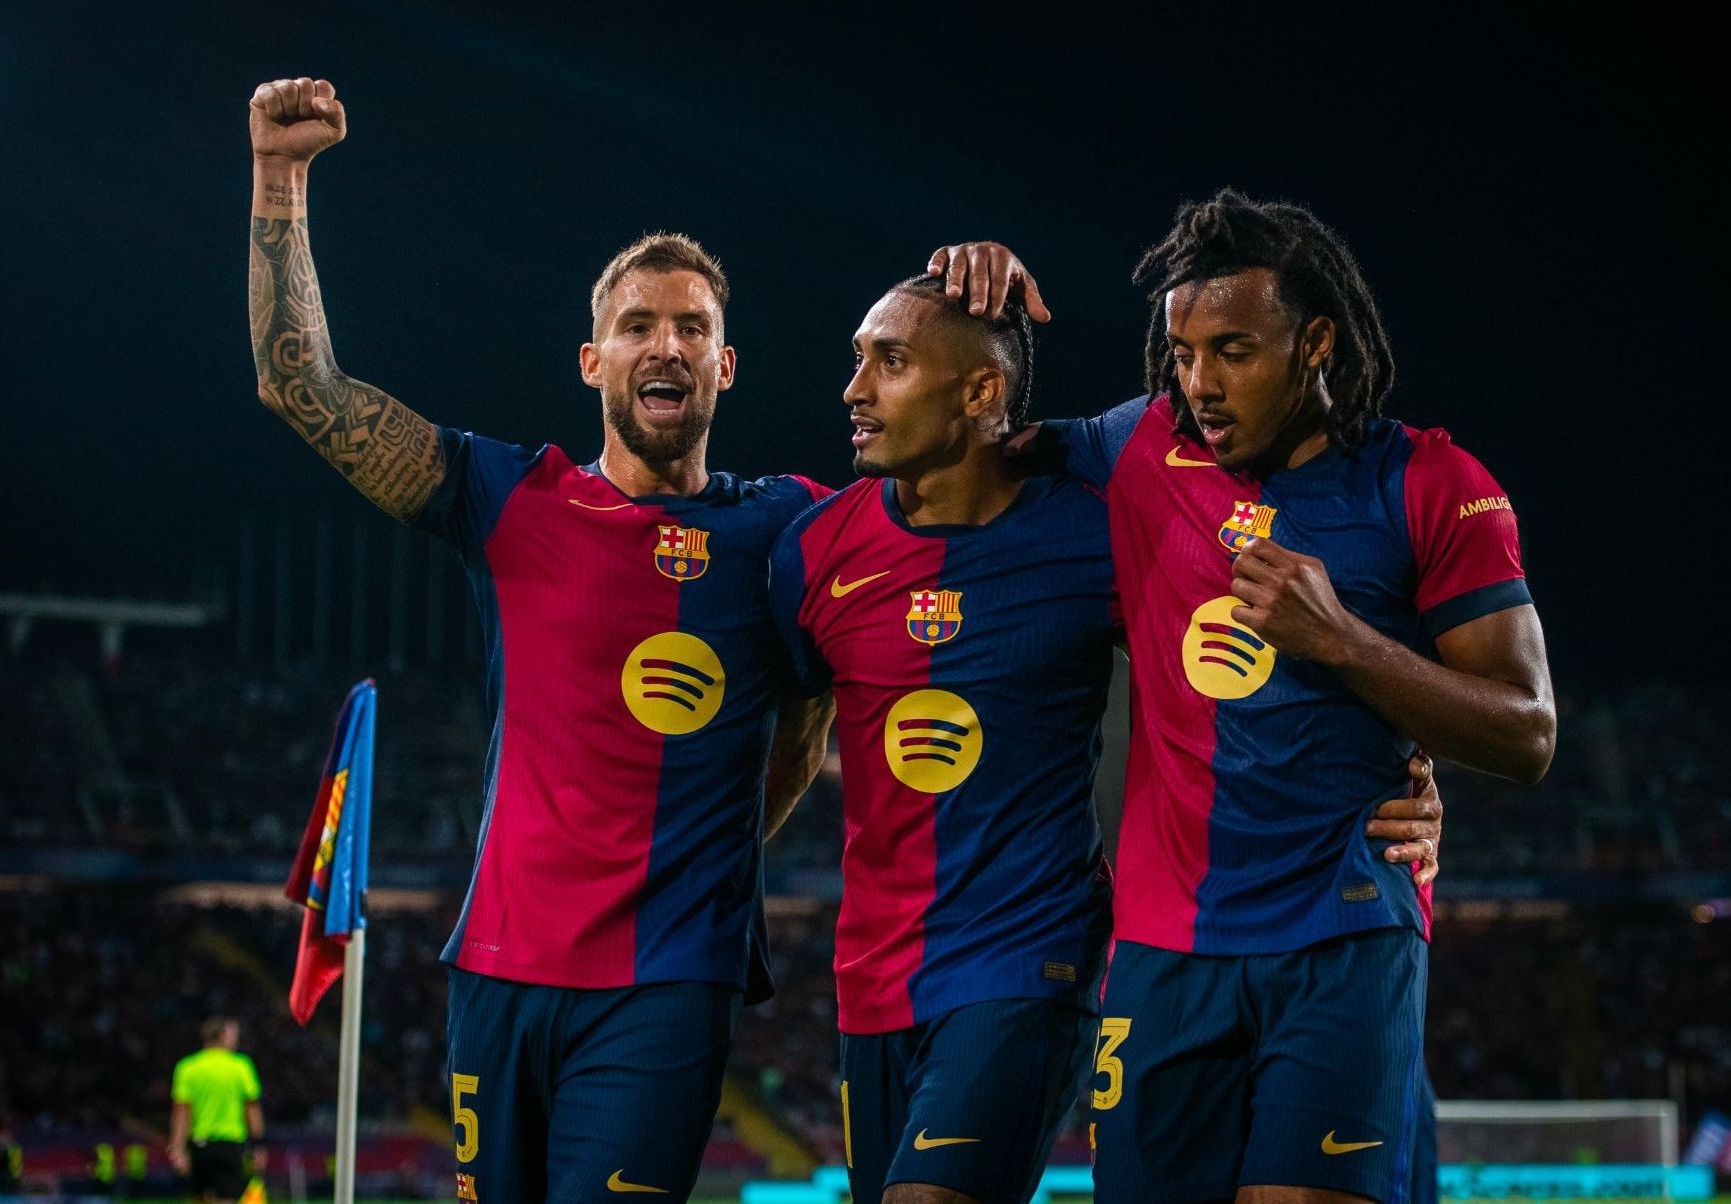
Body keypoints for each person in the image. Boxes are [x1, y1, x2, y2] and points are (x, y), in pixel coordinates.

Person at [246, 77, 833, 1202]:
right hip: (497, 970)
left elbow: (810, 719)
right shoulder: (512, 496)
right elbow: (298, 384)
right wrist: (281, 176)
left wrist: (704, 854)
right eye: (637, 326)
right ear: (592, 361)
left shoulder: (789, 527)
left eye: (693, 328)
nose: (666, 345)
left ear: (725, 366)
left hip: (666, 982)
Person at [768, 273, 1445, 1204]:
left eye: (889, 362)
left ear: (980, 391)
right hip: (871, 974)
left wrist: (1401, 769)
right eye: (860, 360)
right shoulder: (811, 550)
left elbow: (1252, 670)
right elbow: (792, 724)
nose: (854, 389)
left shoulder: (1100, 532)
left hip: (1027, 958)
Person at [932, 192, 1554, 1204]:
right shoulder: (1140, 445)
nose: (1200, 384)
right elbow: (975, 439)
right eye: (1181, 353)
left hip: (1344, 933)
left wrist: (1342, 640)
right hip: (1162, 948)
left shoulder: (1431, 483)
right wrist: (973, 297)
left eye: (1232, 351)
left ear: (1317, 342)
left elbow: (1528, 732)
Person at [168, 1017, 264, 1204]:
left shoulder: (188, 1067)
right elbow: (252, 1110)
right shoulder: (241, 1066)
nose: (236, 1040)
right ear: (222, 1035)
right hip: (231, 1143)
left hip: (200, 1144)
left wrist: (177, 1148)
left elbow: (181, 1113)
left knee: (201, 1198)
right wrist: (258, 1145)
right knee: (226, 1198)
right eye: (234, 1035)